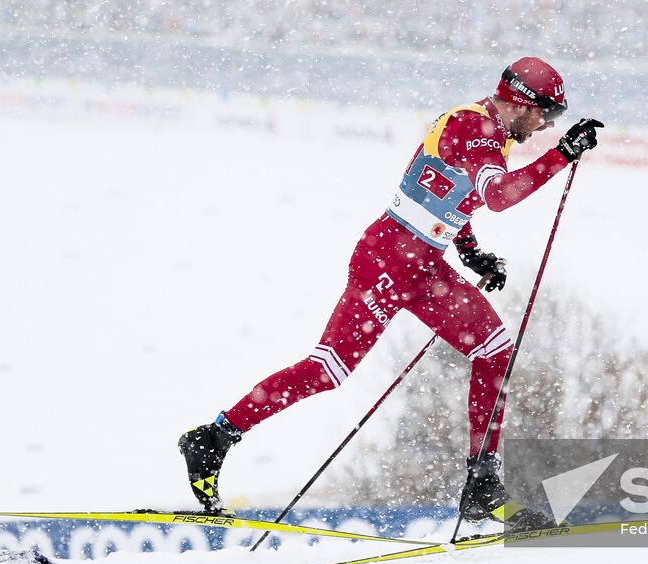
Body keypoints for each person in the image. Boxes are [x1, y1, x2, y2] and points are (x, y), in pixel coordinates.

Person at [179, 58, 603, 527]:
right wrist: (562, 154)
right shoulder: (474, 125)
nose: (546, 124)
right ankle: (214, 437)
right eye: (547, 113)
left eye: (555, 120)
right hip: (387, 259)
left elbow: (447, 192)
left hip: (422, 266)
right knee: (327, 371)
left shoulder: (487, 131)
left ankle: (481, 482)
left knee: (495, 351)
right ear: (523, 101)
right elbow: (498, 196)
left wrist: (469, 250)